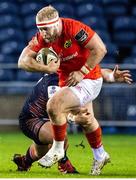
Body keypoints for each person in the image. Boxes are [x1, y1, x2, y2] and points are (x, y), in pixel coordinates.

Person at [17, 5, 132, 175]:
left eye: (46, 29)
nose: (44, 34)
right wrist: (46, 68)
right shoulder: (51, 66)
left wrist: (104, 76)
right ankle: (98, 155)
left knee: (57, 114)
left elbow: (99, 51)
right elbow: (22, 62)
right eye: (40, 30)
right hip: (33, 116)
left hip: (81, 82)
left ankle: (58, 155)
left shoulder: (74, 30)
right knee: (83, 120)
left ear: (56, 23)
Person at [12, 66, 132, 173]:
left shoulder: (73, 70)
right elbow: (55, 110)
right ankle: (65, 165)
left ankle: (25, 161)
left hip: (45, 119)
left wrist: (111, 76)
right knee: (60, 138)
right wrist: (74, 119)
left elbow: (97, 72)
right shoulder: (54, 81)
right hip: (32, 119)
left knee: (40, 152)